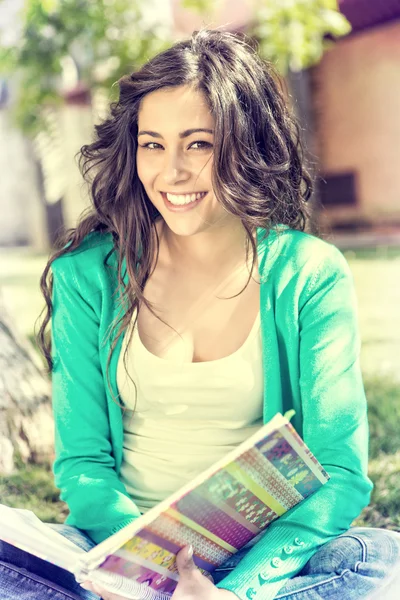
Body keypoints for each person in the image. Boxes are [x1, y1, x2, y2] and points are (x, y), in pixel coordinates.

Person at [1, 29, 400, 600]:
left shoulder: (309, 274)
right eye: (152, 144)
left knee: (379, 560)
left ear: (247, 146)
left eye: (199, 144)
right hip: (119, 557)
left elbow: (338, 470)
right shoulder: (87, 277)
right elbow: (85, 463)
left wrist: (235, 592)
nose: (172, 172)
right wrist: (136, 574)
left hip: (267, 561)